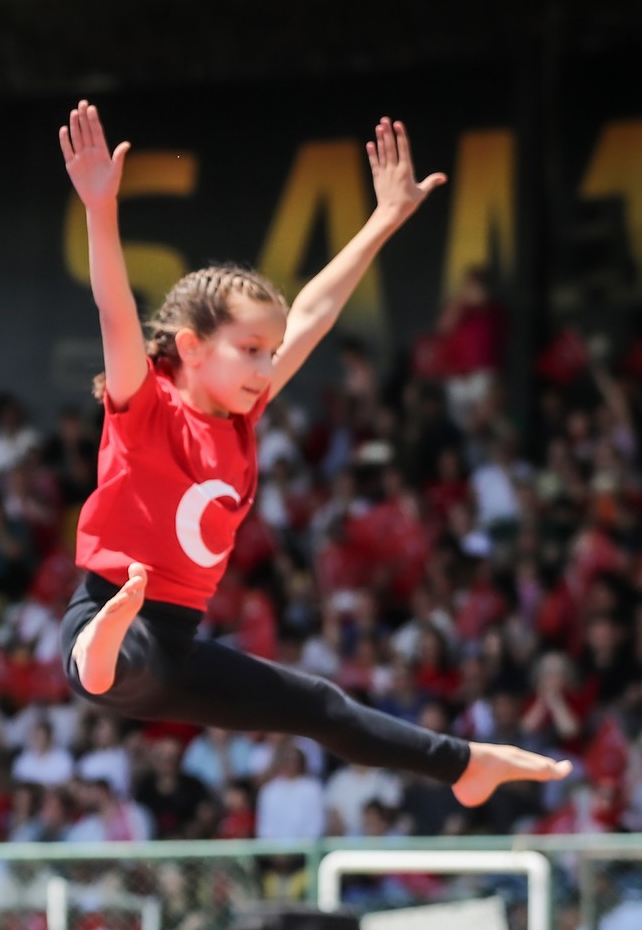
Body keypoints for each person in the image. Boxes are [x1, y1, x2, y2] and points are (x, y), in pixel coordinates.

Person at [57, 100, 567, 806]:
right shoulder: (144, 407)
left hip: (177, 641)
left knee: (319, 705)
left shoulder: (241, 414)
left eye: (271, 350)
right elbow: (116, 311)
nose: (269, 366)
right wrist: (99, 208)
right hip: (113, 618)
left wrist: (385, 217)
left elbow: (317, 312)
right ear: (193, 349)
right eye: (251, 350)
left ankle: (463, 764)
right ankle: (96, 649)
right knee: (122, 654)